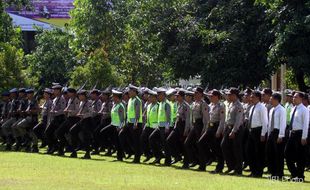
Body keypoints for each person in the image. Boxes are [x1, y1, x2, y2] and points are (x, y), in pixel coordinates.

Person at [197, 89, 225, 172]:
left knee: (217, 148)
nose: (210, 97)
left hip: (216, 127)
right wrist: (206, 129)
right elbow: (208, 119)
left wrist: (219, 131)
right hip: (210, 127)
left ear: (216, 96)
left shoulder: (221, 106)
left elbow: (222, 120)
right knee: (200, 143)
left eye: (211, 96)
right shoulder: (211, 105)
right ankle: (203, 165)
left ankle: (219, 167)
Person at [285, 91, 309, 181]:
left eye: (295, 97)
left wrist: (304, 137)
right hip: (293, 134)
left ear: (301, 99)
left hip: (300, 134)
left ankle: (300, 176)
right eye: (293, 97)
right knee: (287, 153)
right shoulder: (293, 109)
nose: (293, 98)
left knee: (300, 156)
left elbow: (305, 124)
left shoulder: (304, 110)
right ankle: (294, 173)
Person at [183, 87, 209, 169]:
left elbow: (206, 118)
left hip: (200, 125)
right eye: (195, 93)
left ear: (201, 94)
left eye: (197, 93)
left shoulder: (203, 104)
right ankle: (194, 160)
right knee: (187, 143)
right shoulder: (194, 103)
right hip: (194, 125)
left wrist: (204, 129)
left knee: (200, 146)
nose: (195, 94)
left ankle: (202, 165)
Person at [221, 87, 244, 175]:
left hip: (236, 129)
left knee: (236, 149)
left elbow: (238, 120)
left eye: (229, 95)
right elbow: (228, 118)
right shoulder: (231, 104)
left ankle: (238, 169)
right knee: (224, 146)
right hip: (229, 127)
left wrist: (233, 131)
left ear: (234, 95)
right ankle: (231, 167)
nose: (228, 96)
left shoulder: (239, 106)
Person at [165, 90, 191, 166]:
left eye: (178, 96)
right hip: (177, 126)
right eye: (176, 96)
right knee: (169, 140)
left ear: (182, 97)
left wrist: (186, 130)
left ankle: (186, 163)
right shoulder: (178, 104)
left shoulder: (186, 106)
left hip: (183, 126)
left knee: (184, 145)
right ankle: (177, 156)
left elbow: (187, 119)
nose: (176, 97)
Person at [246, 91, 268, 177]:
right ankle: (253, 170)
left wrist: (263, 134)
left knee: (258, 152)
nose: (251, 98)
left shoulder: (262, 107)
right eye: (251, 97)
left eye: (253, 97)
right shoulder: (252, 107)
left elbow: (265, 121)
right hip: (251, 131)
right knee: (249, 151)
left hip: (258, 131)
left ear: (258, 98)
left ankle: (258, 172)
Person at [101, 89, 126, 161]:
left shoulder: (120, 106)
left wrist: (120, 127)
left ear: (117, 97)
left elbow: (122, 118)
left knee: (117, 142)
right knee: (103, 133)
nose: (112, 98)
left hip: (118, 126)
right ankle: (115, 151)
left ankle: (120, 157)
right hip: (113, 124)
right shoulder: (114, 105)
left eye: (113, 96)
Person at [55, 87, 80, 156]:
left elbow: (77, 111)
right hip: (69, 118)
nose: (67, 93)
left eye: (69, 92)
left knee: (70, 135)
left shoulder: (76, 100)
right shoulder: (70, 100)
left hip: (74, 119)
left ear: (73, 93)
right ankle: (66, 147)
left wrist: (69, 111)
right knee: (59, 133)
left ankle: (71, 150)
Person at [266, 93, 286, 179]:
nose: (270, 100)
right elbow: (270, 124)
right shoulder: (272, 110)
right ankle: (273, 172)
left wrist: (281, 135)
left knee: (278, 154)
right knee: (270, 153)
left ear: (276, 99)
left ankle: (279, 173)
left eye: (271, 99)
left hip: (278, 132)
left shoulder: (281, 110)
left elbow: (283, 123)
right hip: (272, 133)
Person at [149, 87, 171, 164]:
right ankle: (158, 156)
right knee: (151, 138)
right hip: (159, 127)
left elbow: (168, 117)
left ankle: (168, 160)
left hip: (164, 127)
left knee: (165, 144)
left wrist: (167, 127)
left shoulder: (166, 103)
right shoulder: (161, 103)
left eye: (158, 95)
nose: (157, 96)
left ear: (162, 95)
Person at [45, 84, 66, 154]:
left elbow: (63, 110)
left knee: (58, 134)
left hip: (60, 118)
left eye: (55, 90)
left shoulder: (62, 99)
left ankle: (61, 149)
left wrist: (55, 112)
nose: (53, 91)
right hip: (54, 118)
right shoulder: (55, 99)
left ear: (59, 91)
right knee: (48, 132)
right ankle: (54, 146)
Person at [140, 90, 159, 162]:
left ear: (154, 98)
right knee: (142, 139)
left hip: (155, 126)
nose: (149, 98)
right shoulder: (148, 106)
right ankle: (148, 154)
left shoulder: (158, 106)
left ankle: (158, 156)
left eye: (150, 97)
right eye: (149, 97)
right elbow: (145, 115)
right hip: (148, 125)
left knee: (152, 141)